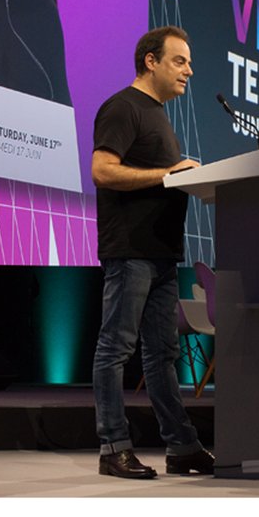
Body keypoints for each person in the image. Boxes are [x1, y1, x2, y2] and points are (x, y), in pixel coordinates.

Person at [91, 26, 214, 479]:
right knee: (115, 348)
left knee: (162, 354)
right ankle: (113, 447)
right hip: (131, 251)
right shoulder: (123, 107)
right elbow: (103, 171)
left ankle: (182, 447)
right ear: (151, 61)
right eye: (179, 61)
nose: (189, 71)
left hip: (162, 254)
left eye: (189, 63)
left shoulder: (158, 115)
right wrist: (168, 175)